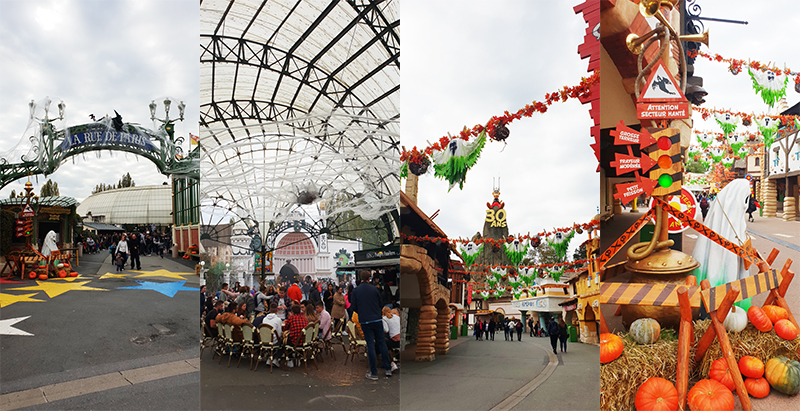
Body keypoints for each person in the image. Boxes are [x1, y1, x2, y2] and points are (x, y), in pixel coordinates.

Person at [350, 270, 392, 380]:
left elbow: (353, 306)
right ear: (369, 278)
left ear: (360, 278)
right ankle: (388, 368)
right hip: (377, 319)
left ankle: (374, 373)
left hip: (365, 320)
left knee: (370, 345)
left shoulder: (356, 291)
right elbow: (380, 303)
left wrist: (362, 312)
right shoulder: (375, 289)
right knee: (381, 342)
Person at [382, 306, 400, 372]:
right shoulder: (397, 317)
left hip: (394, 341)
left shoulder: (384, 318)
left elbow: (386, 330)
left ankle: (391, 363)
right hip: (400, 339)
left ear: (383, 313)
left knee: (383, 345)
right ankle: (397, 359)